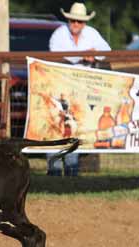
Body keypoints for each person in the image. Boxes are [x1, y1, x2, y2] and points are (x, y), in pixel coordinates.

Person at [47, 2, 111, 176]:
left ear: (84, 23)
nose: (76, 24)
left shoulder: (92, 34)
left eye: (79, 21)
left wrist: (93, 54)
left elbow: (107, 51)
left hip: (81, 93)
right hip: (59, 91)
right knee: (56, 130)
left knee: (76, 129)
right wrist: (81, 55)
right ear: (68, 20)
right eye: (73, 20)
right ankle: (54, 169)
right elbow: (55, 55)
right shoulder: (59, 34)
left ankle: (71, 169)